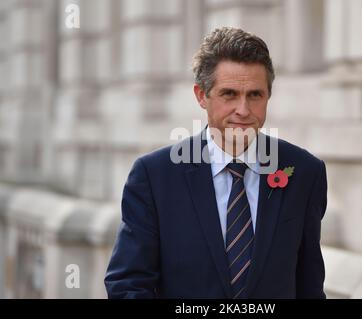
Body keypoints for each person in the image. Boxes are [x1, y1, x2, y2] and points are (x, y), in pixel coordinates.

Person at [104, 27, 327, 299]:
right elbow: (127, 285)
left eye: (255, 95)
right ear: (201, 95)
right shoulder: (154, 176)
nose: (243, 110)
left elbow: (309, 286)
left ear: (268, 95)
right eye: (229, 94)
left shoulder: (305, 173)